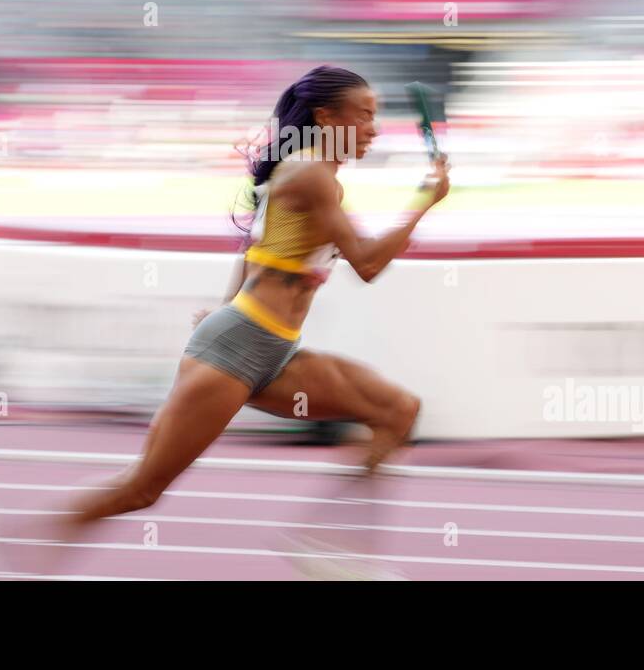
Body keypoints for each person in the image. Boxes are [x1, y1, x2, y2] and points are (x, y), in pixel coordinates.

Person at [68, 65, 448, 537]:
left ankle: (323, 539)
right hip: (238, 349)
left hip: (274, 348)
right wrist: (423, 202)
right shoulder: (312, 174)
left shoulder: (314, 172)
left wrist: (225, 306)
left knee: (398, 410)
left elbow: (255, 250)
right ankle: (25, 539)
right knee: (142, 490)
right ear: (327, 118)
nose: (374, 129)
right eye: (365, 115)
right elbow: (367, 265)